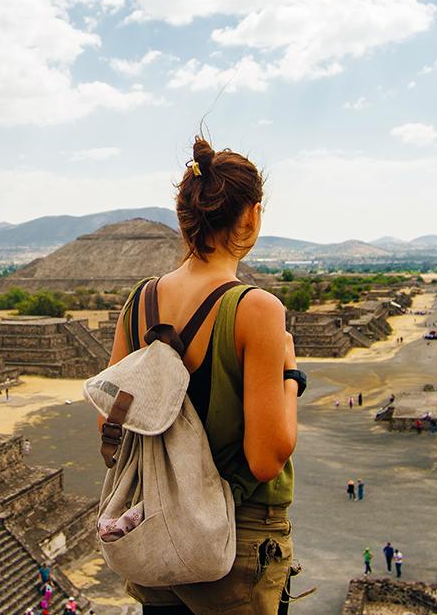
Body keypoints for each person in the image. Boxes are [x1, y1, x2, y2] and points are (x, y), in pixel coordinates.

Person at [102, 136, 299, 613]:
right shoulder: (255, 308)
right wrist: (291, 375)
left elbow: (112, 429)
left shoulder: (140, 302)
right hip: (230, 547)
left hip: (155, 537)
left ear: (184, 217)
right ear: (251, 216)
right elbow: (266, 458)